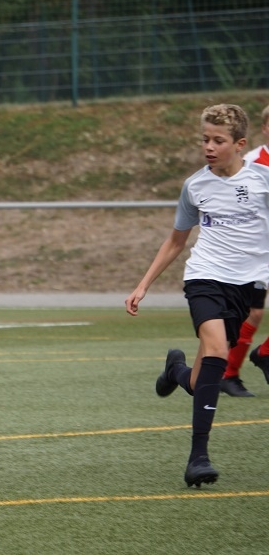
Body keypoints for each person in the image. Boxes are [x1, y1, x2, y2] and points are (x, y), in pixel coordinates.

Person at [125, 104, 269, 488]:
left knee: (202, 376)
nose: (209, 146)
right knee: (218, 351)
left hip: (245, 287)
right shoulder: (195, 185)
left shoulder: (263, 182)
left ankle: (176, 371)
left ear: (240, 144)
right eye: (205, 139)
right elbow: (176, 241)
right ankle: (198, 458)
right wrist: (143, 285)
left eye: (218, 140)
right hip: (204, 278)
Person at [221, 104, 269, 397]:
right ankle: (228, 375)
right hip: (256, 249)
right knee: (253, 312)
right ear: (265, 128)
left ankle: (264, 353)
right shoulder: (252, 162)